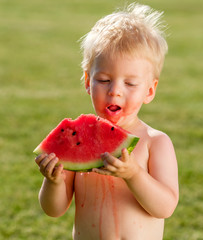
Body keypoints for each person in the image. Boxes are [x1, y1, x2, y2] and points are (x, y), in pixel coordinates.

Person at [35, 3, 179, 240]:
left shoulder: (156, 142)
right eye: (103, 80)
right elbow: (54, 210)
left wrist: (134, 174)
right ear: (87, 81)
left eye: (130, 84)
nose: (115, 92)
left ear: (150, 91)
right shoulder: (77, 140)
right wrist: (52, 182)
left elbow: (165, 207)